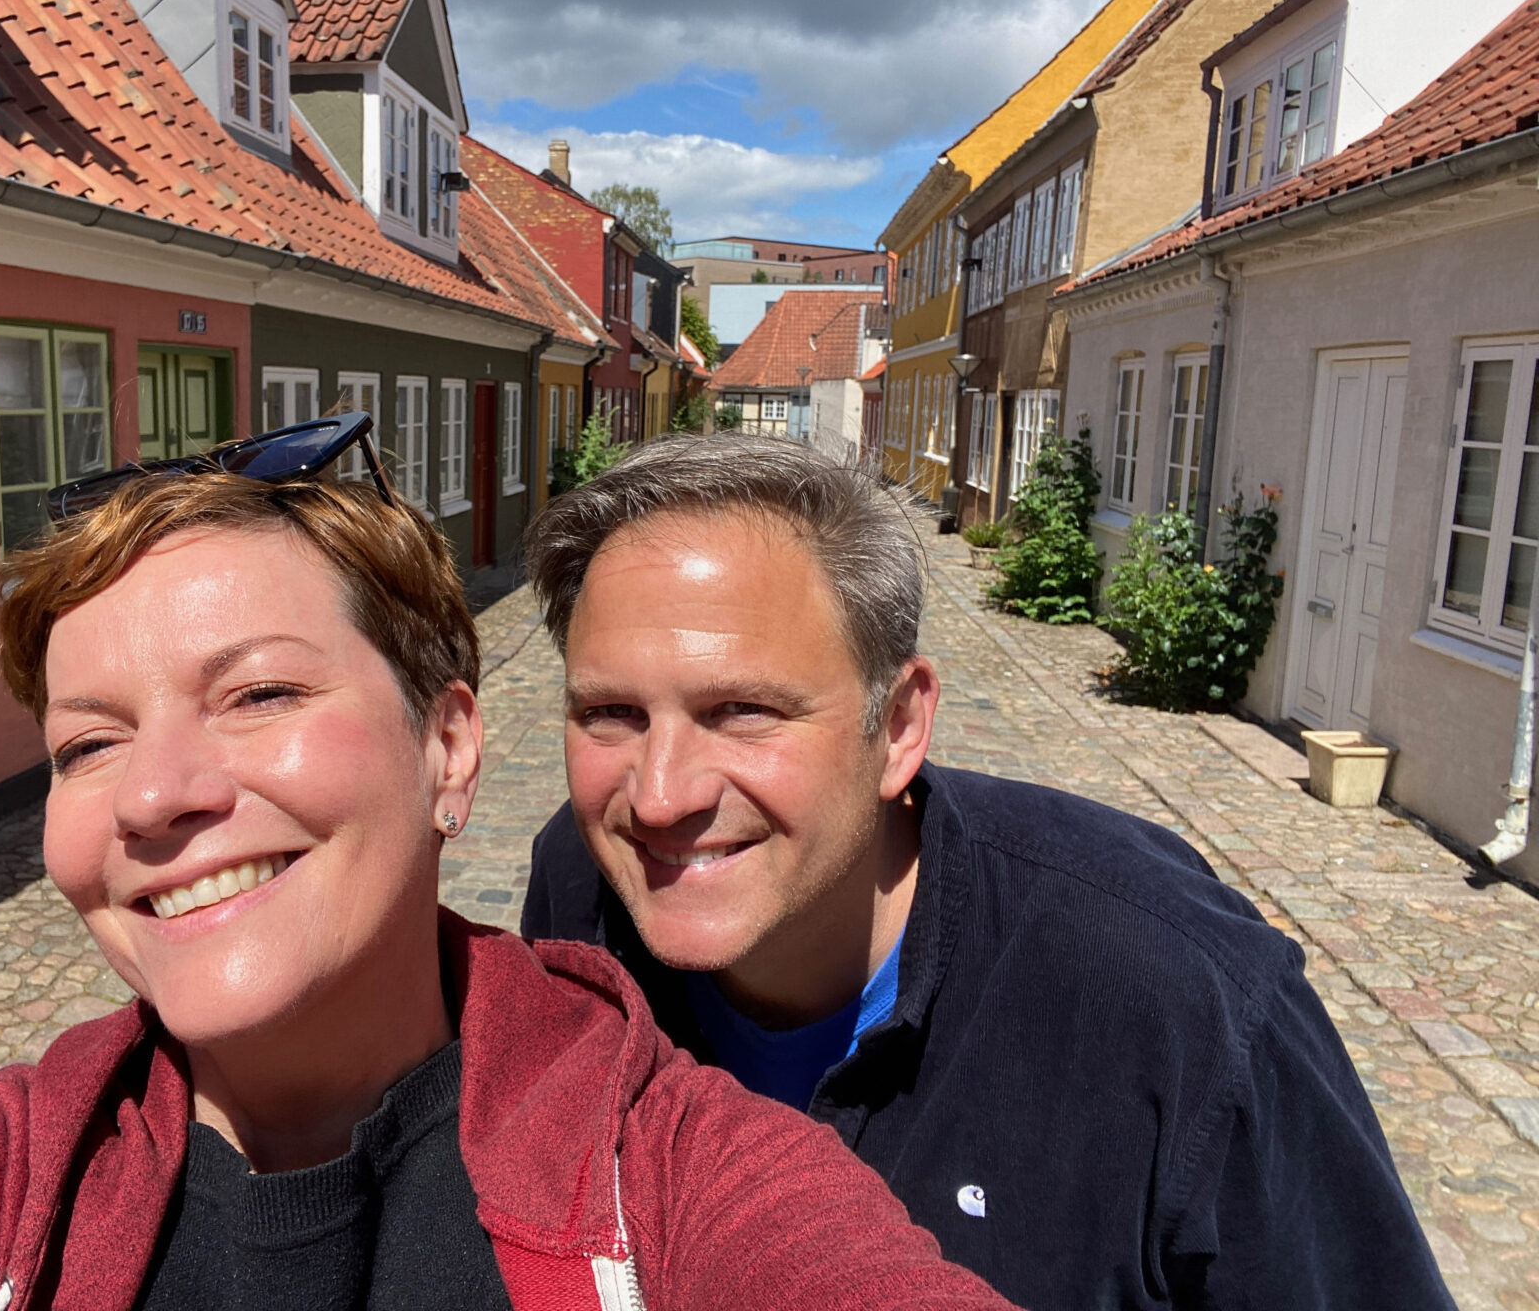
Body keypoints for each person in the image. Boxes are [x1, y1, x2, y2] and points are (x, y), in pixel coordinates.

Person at [0, 416, 1014, 1311]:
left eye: (261, 695)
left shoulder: (666, 1178)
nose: (156, 796)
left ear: (449, 747)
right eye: (87, 745)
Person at [520, 432, 1456, 1311]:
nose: (658, 796)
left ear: (897, 727)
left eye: (743, 710)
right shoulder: (581, 884)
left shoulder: (1182, 1000)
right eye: (610, 712)